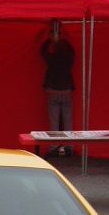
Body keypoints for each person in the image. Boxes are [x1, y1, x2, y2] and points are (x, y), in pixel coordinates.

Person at [40, 21, 75, 155]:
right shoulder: (69, 58)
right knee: (68, 119)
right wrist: (63, 39)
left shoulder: (51, 58)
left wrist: (50, 40)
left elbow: (42, 51)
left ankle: (54, 146)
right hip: (66, 89)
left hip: (52, 89)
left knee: (54, 119)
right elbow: (72, 51)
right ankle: (69, 146)